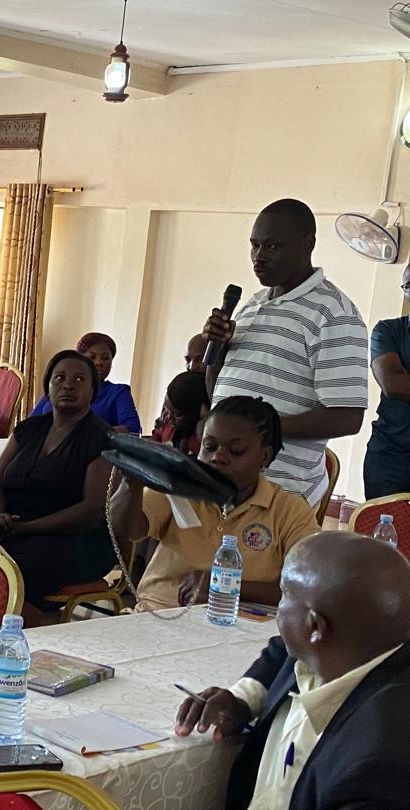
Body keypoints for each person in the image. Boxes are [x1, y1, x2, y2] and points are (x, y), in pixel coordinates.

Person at [174, 532, 410, 809]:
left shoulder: (375, 767)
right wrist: (243, 700)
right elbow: (280, 652)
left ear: (314, 628)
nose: (277, 611)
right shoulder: (349, 649)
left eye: (284, 596)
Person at [203, 199, 368, 506]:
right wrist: (221, 349)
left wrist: (261, 431)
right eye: (254, 245)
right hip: (220, 481)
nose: (258, 257)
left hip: (279, 493)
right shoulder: (253, 303)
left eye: (272, 246)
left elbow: (348, 417)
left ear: (308, 244)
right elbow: (219, 395)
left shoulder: (334, 314)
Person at [112, 396, 318, 612]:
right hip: (159, 613)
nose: (218, 457)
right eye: (209, 447)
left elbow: (307, 586)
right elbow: (125, 531)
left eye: (236, 451)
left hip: (241, 625)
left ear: (265, 456)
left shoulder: (289, 510)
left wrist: (224, 584)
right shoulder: (176, 487)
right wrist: (130, 482)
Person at [0, 350, 118, 626]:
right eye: (60, 378)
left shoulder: (101, 437)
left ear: (93, 391)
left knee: (8, 567)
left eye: (79, 379)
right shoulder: (30, 428)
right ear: (48, 388)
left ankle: (15, 641)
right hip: (17, 528)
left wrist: (30, 528)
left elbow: (92, 509)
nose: (68, 385)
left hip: (76, 540)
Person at [30, 333, 142, 434]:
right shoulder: (62, 385)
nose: (99, 363)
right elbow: (31, 422)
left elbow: (133, 428)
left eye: (106, 358)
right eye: (92, 357)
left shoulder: (118, 392)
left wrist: (89, 435)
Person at [363, 264, 410, 498]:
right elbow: (392, 384)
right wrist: (400, 380)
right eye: (409, 286)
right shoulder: (387, 331)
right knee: (381, 532)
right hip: (390, 457)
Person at [150, 370, 210, 455]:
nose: (169, 417)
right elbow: (154, 440)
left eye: (177, 414)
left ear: (197, 413)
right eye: (167, 410)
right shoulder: (166, 423)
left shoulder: (202, 438)